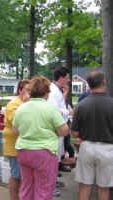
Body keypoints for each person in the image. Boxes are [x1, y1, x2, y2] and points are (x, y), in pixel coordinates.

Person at [12, 76, 68, 200]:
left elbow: (15, 131)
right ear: (46, 92)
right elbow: (63, 132)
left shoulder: (21, 108)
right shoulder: (51, 109)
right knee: (44, 189)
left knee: (27, 186)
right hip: (44, 152)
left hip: (23, 151)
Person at [71, 70, 113, 200]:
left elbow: (74, 133)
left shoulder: (81, 105)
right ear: (104, 82)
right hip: (108, 149)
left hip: (87, 147)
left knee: (85, 185)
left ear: (88, 84)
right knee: (104, 187)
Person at [47, 66, 73, 195]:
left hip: (60, 130)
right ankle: (50, 186)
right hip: (54, 131)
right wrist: (68, 112)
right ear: (61, 78)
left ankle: (53, 180)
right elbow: (54, 111)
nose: (69, 81)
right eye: (67, 78)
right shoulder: (52, 91)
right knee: (52, 160)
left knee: (56, 159)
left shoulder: (58, 90)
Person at [2, 80, 30, 200]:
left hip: (25, 145)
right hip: (14, 144)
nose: (29, 93)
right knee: (17, 174)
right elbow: (18, 123)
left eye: (31, 91)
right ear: (20, 90)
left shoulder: (26, 103)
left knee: (24, 175)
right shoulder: (14, 104)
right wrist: (27, 105)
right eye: (27, 90)